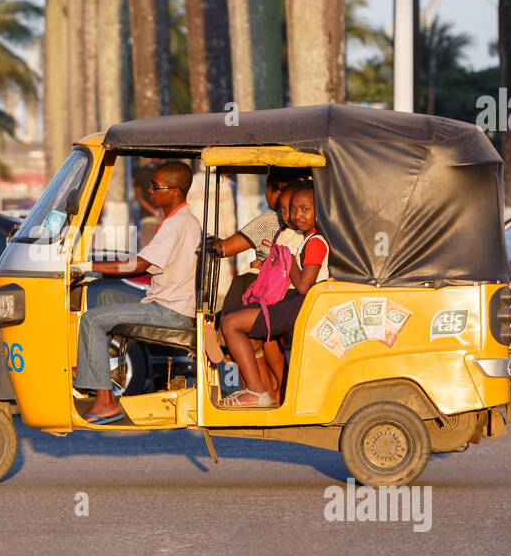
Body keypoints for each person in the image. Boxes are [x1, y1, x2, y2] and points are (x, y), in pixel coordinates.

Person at [74, 161, 201, 424]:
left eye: (155, 187)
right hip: (166, 303)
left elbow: (139, 265)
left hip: (170, 313)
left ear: (175, 191)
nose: (149, 191)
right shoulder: (179, 220)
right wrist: (95, 272)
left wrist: (87, 266)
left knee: (91, 320)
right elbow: (146, 263)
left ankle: (105, 401)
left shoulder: (177, 223)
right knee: (106, 298)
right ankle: (94, 366)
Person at [217, 181, 328, 408]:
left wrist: (289, 260)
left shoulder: (315, 242)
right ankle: (258, 390)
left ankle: (257, 392)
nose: (297, 215)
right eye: (293, 209)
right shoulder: (309, 239)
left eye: (305, 209)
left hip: (300, 303)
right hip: (294, 302)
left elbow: (304, 285)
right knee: (232, 317)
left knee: (231, 323)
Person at [206, 168, 302, 311]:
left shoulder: (270, 221)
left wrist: (208, 241)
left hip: (273, 293)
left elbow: (224, 248)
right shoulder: (310, 223)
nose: (265, 194)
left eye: (267, 189)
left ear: (277, 193)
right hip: (294, 293)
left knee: (241, 281)